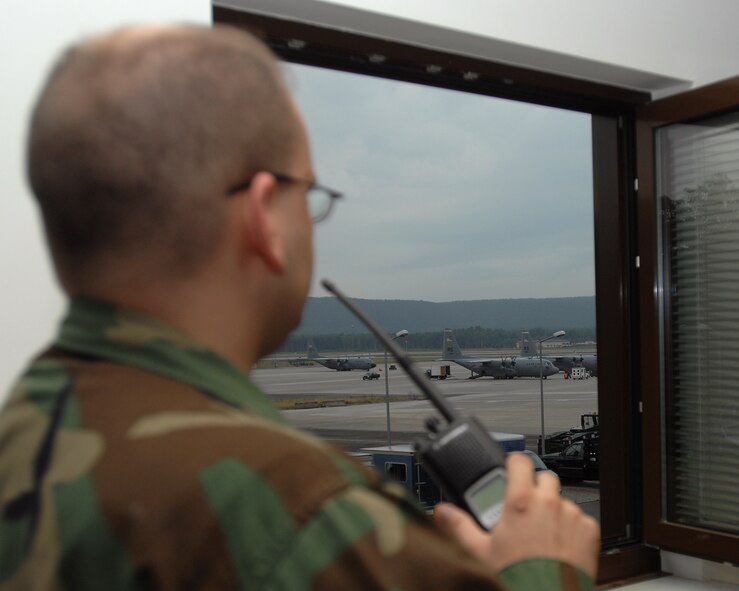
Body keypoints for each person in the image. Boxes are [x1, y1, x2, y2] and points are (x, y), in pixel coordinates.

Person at [0, 24, 599, 590]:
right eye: (308, 193)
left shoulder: (24, 431)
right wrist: (545, 567)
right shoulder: (306, 512)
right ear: (263, 215)